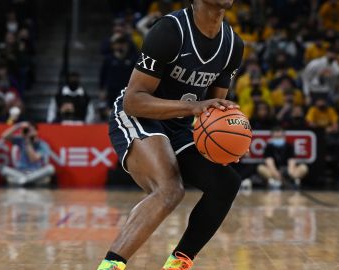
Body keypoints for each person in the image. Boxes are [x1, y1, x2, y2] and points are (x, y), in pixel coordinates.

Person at [98, 0, 244, 269]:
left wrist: (228, 144)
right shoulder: (170, 30)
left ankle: (177, 264)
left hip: (178, 126)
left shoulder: (233, 45)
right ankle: (110, 266)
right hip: (138, 116)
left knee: (226, 183)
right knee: (169, 189)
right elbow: (134, 100)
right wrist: (192, 107)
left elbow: (215, 110)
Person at [0, 122, 55, 186]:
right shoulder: (21, 140)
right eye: (28, 130)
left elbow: (33, 159)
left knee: (50, 169)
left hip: (36, 173)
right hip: (20, 172)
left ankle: (23, 181)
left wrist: (28, 143)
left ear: (36, 132)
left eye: (31, 130)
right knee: (4, 169)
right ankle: (27, 181)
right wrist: (18, 126)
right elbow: (4, 136)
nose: (29, 133)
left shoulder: (43, 145)